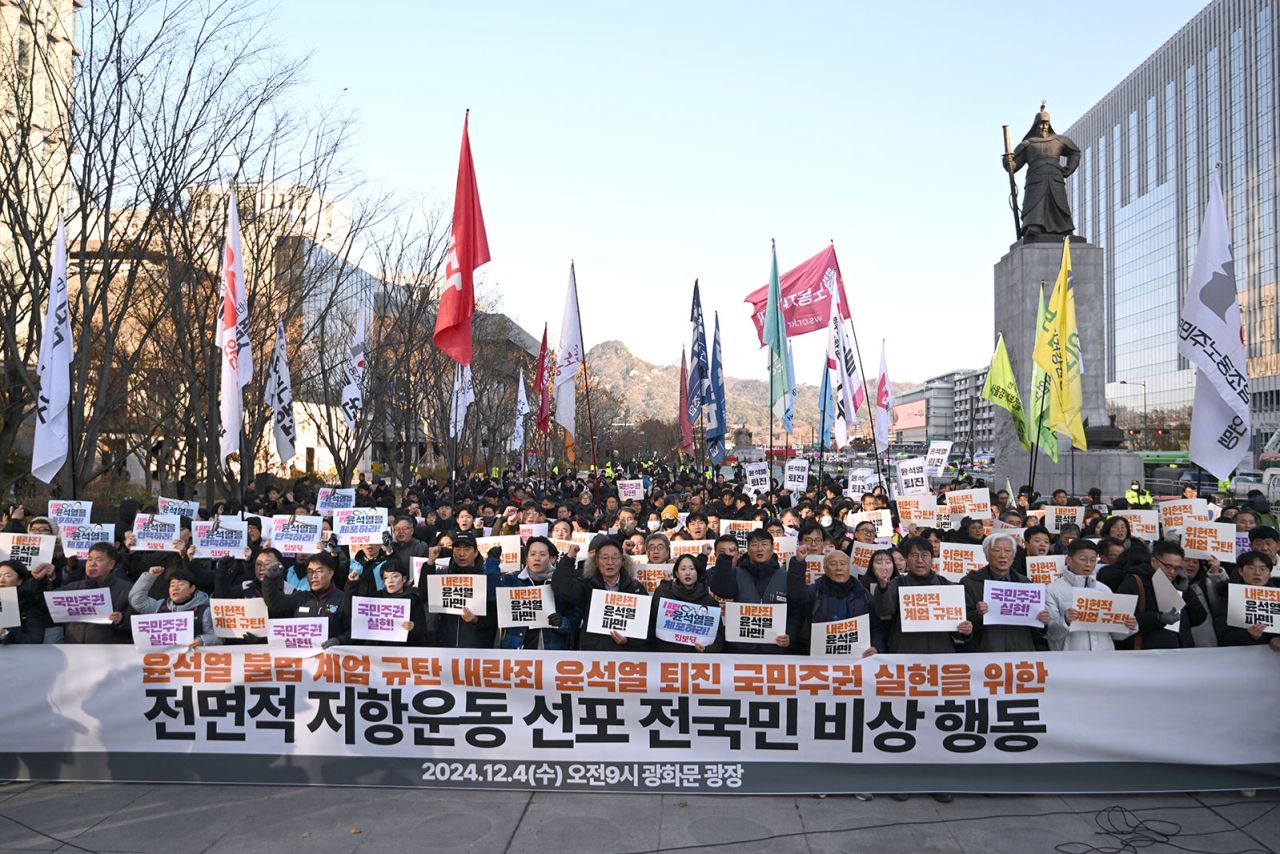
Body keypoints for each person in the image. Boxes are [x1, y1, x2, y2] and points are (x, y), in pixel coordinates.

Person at [874, 536, 974, 654]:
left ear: (932, 558)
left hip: (940, 654)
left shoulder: (946, 585)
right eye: (914, 555)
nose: (920, 560)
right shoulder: (898, 583)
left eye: (925, 555)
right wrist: (882, 587)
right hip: (905, 654)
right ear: (906, 559)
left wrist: (965, 631)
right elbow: (884, 610)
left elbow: (957, 630)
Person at [552, 538, 650, 650]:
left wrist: (629, 640)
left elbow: (648, 625)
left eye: (615, 557)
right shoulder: (587, 586)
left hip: (626, 657)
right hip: (594, 654)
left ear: (622, 561)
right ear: (596, 561)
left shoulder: (636, 589)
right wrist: (570, 558)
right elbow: (561, 586)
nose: (610, 562)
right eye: (604, 558)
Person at [788, 547, 883, 657]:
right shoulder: (815, 592)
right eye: (833, 564)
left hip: (856, 658)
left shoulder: (863, 595)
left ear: (849, 567)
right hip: (821, 657)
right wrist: (798, 563)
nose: (839, 568)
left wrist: (877, 647)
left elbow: (876, 627)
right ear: (825, 568)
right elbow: (796, 593)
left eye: (843, 564)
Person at [708, 528, 791, 654]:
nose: (759, 549)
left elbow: (795, 611)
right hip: (741, 648)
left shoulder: (785, 577)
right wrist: (725, 559)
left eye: (764, 544)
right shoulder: (736, 573)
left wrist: (790, 634)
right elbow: (722, 591)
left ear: (772, 548)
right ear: (747, 548)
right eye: (754, 545)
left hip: (775, 649)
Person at [1044, 539, 1137, 651]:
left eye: (1093, 560)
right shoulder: (1052, 590)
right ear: (1069, 560)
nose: (1088, 564)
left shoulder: (1104, 589)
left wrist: (1128, 626)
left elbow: (1115, 635)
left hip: (1103, 656)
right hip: (1069, 659)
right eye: (1083, 559)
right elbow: (1050, 632)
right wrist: (1065, 620)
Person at [962, 534, 1049, 652]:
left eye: (1008, 551)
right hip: (986, 654)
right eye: (996, 550)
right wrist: (978, 615)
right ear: (987, 555)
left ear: (1013, 556)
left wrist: (1042, 621)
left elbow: (1035, 632)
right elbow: (961, 621)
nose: (1003, 555)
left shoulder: (1026, 583)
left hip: (1021, 653)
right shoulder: (970, 583)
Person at [1116, 541, 1207, 650]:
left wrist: (1185, 591)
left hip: (1181, 651)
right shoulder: (1134, 582)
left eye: (1177, 568)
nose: (1172, 572)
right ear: (1154, 561)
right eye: (1168, 566)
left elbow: (1198, 618)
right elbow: (1122, 621)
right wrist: (1158, 618)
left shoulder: (1178, 583)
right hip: (1149, 654)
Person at [497, 537, 576, 650]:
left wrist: (563, 622)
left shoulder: (564, 583)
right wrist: (492, 564)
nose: (537, 558)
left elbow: (575, 617)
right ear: (526, 558)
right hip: (516, 650)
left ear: (552, 558)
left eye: (542, 554)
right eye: (532, 554)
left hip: (552, 651)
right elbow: (494, 602)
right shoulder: (511, 580)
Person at [422, 534, 499, 649]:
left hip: (477, 649)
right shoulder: (444, 576)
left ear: (476, 552)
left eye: (467, 549)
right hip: (446, 646)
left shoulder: (487, 578)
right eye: (457, 549)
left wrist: (476, 620)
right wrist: (430, 563)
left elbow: (496, 616)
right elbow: (424, 594)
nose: (461, 553)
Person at [334, 556, 430, 646]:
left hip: (403, 653)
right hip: (376, 654)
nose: (390, 581)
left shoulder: (413, 600)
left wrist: (413, 628)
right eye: (385, 578)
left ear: (404, 579)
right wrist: (352, 584)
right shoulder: (376, 597)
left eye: (395, 576)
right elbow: (353, 613)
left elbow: (423, 635)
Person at [128, 564, 221, 649]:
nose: (175, 588)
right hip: (164, 661)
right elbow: (137, 601)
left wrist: (202, 641)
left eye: (181, 584)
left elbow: (218, 637)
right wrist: (149, 576)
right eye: (172, 585)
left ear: (192, 589)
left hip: (193, 661)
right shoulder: (160, 606)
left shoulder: (204, 611)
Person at [58, 542, 133, 644]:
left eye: (99, 560)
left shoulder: (126, 589)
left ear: (111, 564)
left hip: (110, 652)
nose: (92, 563)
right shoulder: (74, 587)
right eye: (89, 559)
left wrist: (122, 619)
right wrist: (41, 580)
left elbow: (136, 623)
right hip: (74, 650)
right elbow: (46, 604)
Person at [262, 551, 347, 640]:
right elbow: (274, 603)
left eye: (319, 571)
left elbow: (351, 631)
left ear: (330, 573)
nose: (313, 576)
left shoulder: (343, 600)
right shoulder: (299, 597)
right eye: (310, 572)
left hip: (330, 653)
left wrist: (339, 641)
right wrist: (269, 579)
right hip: (301, 652)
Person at [649, 554, 723, 653]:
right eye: (683, 569)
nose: (687, 573)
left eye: (692, 569)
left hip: (697, 660)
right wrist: (664, 586)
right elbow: (654, 619)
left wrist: (707, 649)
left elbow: (718, 636)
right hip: (668, 657)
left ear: (698, 572)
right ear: (677, 573)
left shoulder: (710, 602)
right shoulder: (665, 593)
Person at [1215, 550, 1280, 650]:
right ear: (1241, 571)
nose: (1257, 573)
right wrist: (1248, 635)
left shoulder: (1277, 597)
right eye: (1251, 568)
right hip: (1241, 658)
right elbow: (1223, 637)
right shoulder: (1227, 597)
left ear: (1270, 574)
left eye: (1263, 569)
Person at [0, 561, 50, 644]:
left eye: (7, 576)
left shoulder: (28, 605)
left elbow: (34, 640)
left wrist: (5, 633)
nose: (2, 580)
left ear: (19, 581)